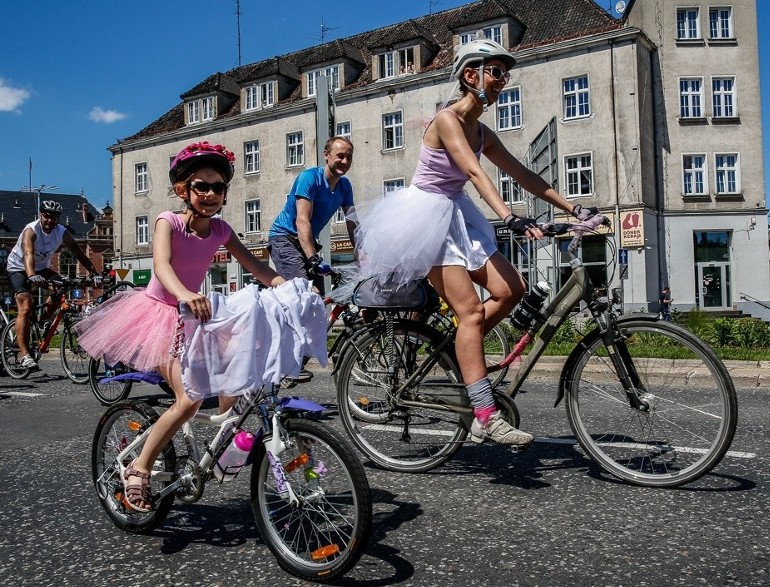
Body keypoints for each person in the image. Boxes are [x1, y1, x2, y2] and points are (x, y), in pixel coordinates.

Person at [355, 39, 601, 447]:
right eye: (497, 72)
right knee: (469, 312)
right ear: (472, 75)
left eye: (506, 74)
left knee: (511, 290)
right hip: (426, 217)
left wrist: (573, 209)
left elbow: (524, 174)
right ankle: (484, 414)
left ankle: (460, 354)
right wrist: (509, 217)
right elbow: (472, 172)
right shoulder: (447, 119)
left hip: (456, 213)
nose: (503, 81)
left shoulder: (482, 131)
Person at [75, 141, 287, 512]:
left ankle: (219, 449)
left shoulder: (221, 230)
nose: (209, 194)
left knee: (240, 374)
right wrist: (187, 294)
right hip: (157, 315)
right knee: (188, 399)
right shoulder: (167, 221)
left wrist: (295, 290)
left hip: (195, 317)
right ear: (183, 190)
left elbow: (259, 269)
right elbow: (162, 267)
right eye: (201, 186)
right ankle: (138, 470)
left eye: (218, 187)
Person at [4, 200, 102, 370]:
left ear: (58, 219)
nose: (50, 220)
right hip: (19, 268)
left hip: (41, 268)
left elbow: (78, 253)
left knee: (61, 288)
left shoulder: (61, 232)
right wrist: (32, 275)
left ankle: (42, 321)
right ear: (41, 215)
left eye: (54, 218)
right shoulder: (31, 230)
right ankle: (24, 354)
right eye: (47, 216)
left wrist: (94, 273)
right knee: (26, 306)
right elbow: (28, 254)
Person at [268, 136, 358, 293]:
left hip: (306, 240)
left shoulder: (345, 186)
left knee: (317, 299)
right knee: (303, 292)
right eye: (340, 156)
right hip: (285, 238)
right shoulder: (309, 178)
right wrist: (313, 258)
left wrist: (362, 256)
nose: (345, 162)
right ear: (326, 155)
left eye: (349, 157)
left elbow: (352, 223)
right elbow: (302, 221)